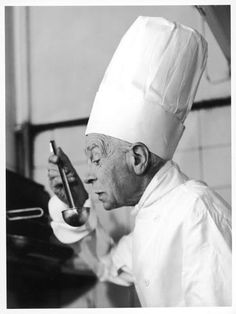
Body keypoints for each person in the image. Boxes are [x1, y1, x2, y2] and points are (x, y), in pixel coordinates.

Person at [48, 16, 232, 307]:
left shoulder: (196, 212)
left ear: (137, 158)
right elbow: (103, 264)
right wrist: (75, 205)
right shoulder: (152, 217)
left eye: (96, 158)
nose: (90, 176)